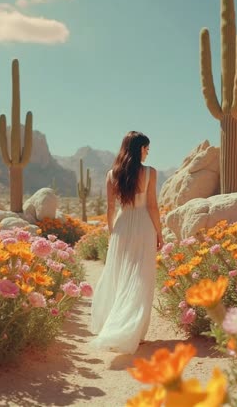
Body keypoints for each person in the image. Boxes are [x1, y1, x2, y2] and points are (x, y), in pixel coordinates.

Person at [90, 131, 163, 354]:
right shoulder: (150, 173)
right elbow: (152, 205)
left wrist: (114, 233)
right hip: (143, 226)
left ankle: (118, 326)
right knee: (141, 277)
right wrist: (160, 233)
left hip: (122, 227)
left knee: (120, 275)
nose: (148, 153)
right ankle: (134, 332)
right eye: (146, 149)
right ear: (139, 149)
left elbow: (110, 208)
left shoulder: (113, 174)